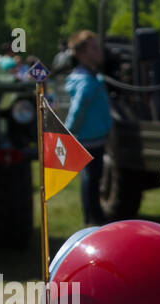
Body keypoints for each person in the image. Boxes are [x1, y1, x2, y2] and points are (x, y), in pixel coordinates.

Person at [64, 30, 114, 226]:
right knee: (92, 179)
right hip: (89, 138)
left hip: (96, 136)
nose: (99, 51)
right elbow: (78, 108)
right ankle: (93, 218)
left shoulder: (93, 79)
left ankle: (94, 215)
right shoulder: (86, 83)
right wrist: (69, 131)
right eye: (94, 48)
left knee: (94, 177)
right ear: (82, 54)